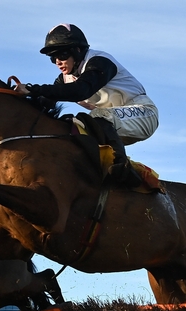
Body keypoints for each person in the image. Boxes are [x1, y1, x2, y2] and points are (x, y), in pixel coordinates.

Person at [14, 24, 159, 188]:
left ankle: (122, 171)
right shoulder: (65, 78)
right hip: (111, 123)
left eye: (61, 54)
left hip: (144, 113)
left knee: (98, 116)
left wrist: (33, 89)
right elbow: (43, 105)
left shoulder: (99, 61)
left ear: (77, 50)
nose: (57, 62)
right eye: (52, 58)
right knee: (73, 127)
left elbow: (80, 91)